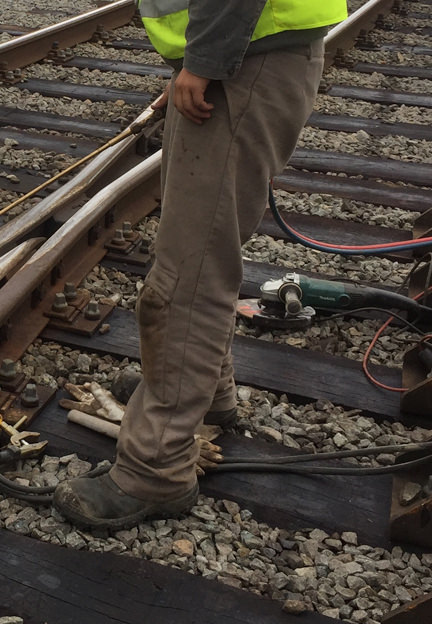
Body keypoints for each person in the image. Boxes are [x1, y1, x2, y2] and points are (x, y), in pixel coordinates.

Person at [53, 0, 347, 530]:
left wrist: (206, 61)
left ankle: (155, 470)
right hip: (245, 53)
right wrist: (198, 59)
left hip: (243, 59)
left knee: (186, 278)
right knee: (196, 254)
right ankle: (210, 398)